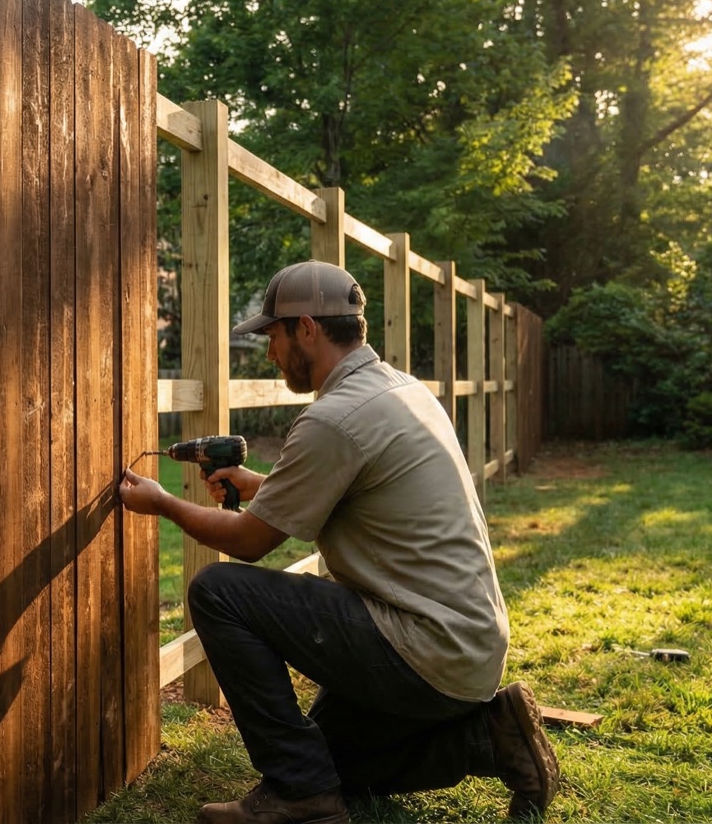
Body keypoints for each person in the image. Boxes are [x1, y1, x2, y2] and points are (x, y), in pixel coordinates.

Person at [118, 261, 559, 824]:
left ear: (306, 327)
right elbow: (348, 487)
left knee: (218, 591)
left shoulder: (334, 417)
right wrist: (261, 485)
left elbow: (251, 543)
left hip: (422, 645)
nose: (270, 352)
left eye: (273, 336)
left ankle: (299, 797)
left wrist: (162, 503)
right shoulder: (401, 389)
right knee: (330, 759)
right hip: (466, 649)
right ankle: (490, 741)